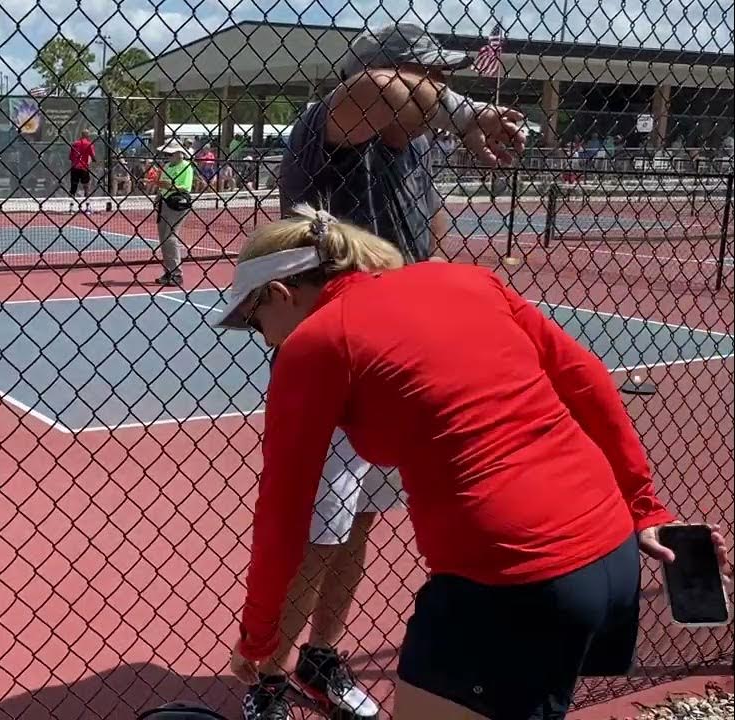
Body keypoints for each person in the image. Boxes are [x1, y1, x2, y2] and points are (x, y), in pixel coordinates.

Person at [215, 206, 731, 719]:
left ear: (281, 293)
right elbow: (588, 379)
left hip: (510, 580)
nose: (265, 339)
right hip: (610, 558)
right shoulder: (462, 278)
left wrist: (259, 636)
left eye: (256, 321)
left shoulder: (315, 343)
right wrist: (645, 507)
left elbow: (284, 510)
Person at [252, 22, 529, 719]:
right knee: (314, 535)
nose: (442, 94)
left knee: (361, 522)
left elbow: (430, 249)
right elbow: (375, 88)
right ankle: (266, 682)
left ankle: (321, 657)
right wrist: (468, 115)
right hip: (331, 373)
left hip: (393, 372)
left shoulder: (418, 152)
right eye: (430, 80)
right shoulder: (330, 132)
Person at [153, 140, 194, 287]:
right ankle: (169, 271)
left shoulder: (186, 167)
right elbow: (161, 184)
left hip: (177, 204)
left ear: (179, 153)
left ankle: (177, 273)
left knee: (171, 237)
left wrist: (171, 186)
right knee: (164, 238)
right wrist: (159, 193)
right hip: (164, 202)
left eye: (170, 153)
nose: (168, 156)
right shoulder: (166, 166)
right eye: (167, 153)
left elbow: (185, 187)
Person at [69, 128, 97, 198]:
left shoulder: (75, 144)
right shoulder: (89, 144)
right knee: (86, 183)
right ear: (88, 136)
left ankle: (72, 196)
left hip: (75, 166)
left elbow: (70, 157)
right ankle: (86, 195)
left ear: (81, 135)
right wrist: (94, 160)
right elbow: (93, 156)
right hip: (84, 167)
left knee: (74, 184)